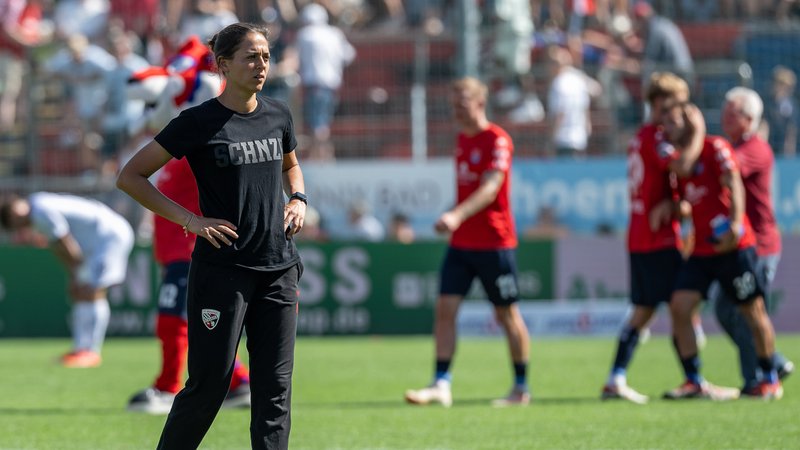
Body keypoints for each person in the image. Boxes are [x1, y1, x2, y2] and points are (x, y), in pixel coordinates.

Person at [117, 22, 307, 449]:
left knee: (275, 391)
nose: (261, 65)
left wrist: (298, 198)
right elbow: (131, 176)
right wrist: (190, 221)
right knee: (208, 386)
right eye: (250, 56)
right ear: (223, 65)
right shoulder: (198, 122)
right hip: (222, 271)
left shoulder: (278, 113)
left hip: (279, 268)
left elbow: (291, 165)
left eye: (265, 56)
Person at [404, 77, 531, 408]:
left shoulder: (498, 140)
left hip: (495, 243)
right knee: (445, 309)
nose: (456, 112)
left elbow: (490, 189)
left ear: (479, 103)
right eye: (453, 106)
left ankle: (520, 388)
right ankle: (441, 384)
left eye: (461, 105)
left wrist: (456, 215)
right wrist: (456, 217)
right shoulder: (462, 139)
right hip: (462, 245)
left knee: (506, 314)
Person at [661, 98, 783, 401]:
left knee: (753, 312)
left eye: (673, 123)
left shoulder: (715, 146)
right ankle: (693, 379)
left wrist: (735, 225)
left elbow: (734, 183)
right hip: (702, 250)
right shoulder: (677, 160)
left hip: (733, 248)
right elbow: (685, 195)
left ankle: (769, 377)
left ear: (690, 124)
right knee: (679, 306)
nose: (667, 129)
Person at [600, 72, 700, 404]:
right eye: (678, 103)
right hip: (658, 239)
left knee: (646, 310)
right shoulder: (657, 137)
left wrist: (675, 203)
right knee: (680, 306)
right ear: (660, 104)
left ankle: (616, 378)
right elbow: (682, 167)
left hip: (641, 236)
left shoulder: (639, 136)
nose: (683, 110)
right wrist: (697, 132)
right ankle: (693, 378)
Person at [126, 157, 253, 414]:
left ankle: (167, 388)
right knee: (202, 326)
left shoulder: (190, 148)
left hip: (190, 251)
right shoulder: (171, 155)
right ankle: (238, 382)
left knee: (173, 321)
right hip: (177, 254)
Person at [713, 87, 794, 395]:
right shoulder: (736, 146)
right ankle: (770, 363)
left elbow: (727, 171)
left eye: (731, 112)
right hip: (742, 244)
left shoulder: (755, 149)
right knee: (726, 308)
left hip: (759, 245)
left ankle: (759, 378)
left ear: (748, 119)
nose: (723, 116)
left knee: (747, 309)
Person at [0, 192, 134, 368]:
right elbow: (58, 246)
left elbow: (65, 243)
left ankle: (91, 351)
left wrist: (78, 273)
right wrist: (73, 276)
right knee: (81, 292)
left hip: (109, 237)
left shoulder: (39, 210)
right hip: (97, 242)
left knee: (92, 291)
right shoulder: (37, 210)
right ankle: (80, 348)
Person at [296, 3, 356, 160]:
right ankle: (326, 156)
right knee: (324, 123)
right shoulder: (335, 34)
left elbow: (297, 58)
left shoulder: (305, 35)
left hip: (314, 85)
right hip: (331, 85)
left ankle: (320, 158)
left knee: (317, 124)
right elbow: (349, 56)